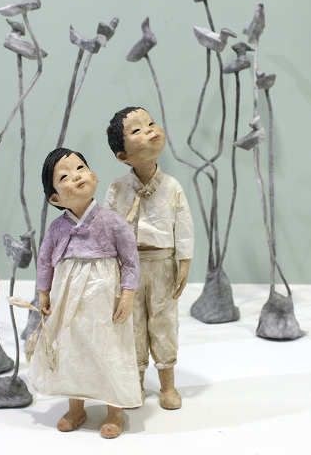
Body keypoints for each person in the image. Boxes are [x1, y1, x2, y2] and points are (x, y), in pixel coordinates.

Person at [29, 147, 141, 439]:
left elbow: (131, 261)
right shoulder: (57, 227)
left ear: (94, 175)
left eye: (80, 168)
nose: (76, 176)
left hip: (105, 300)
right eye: (64, 176)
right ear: (55, 198)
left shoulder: (113, 221)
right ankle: (76, 408)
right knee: (71, 350)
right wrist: (43, 292)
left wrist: (127, 294)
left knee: (109, 350)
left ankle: (114, 410)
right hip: (67, 300)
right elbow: (44, 260)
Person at [104, 106, 194, 410]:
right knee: (132, 325)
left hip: (163, 266)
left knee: (164, 322)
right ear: (123, 156)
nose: (150, 131)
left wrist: (184, 262)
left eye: (151, 123)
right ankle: (136, 383)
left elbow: (184, 226)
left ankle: (168, 386)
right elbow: (106, 231)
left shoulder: (172, 187)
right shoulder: (117, 189)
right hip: (128, 269)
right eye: (137, 130)